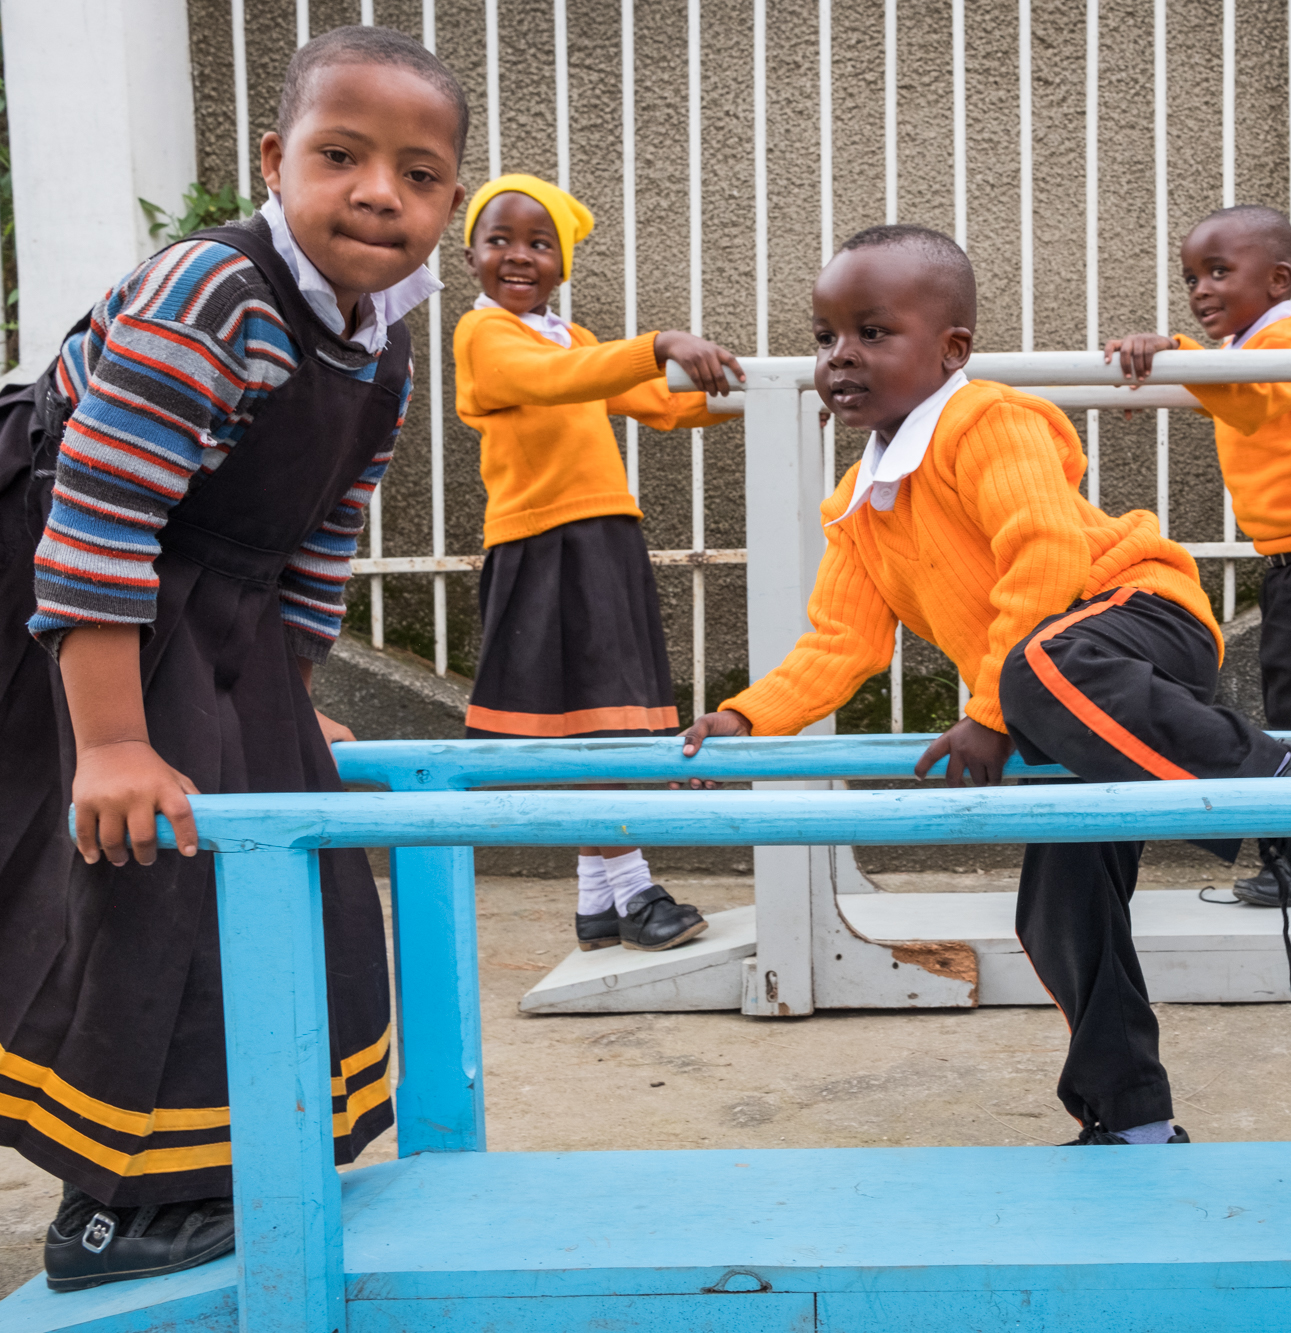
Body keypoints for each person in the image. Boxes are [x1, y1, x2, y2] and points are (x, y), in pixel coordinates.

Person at [678, 223, 1291, 1147]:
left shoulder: (990, 423)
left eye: (873, 333)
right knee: (1057, 911)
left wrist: (987, 712)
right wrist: (747, 716)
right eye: (826, 338)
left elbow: (1047, 555)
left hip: (1135, 620)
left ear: (952, 351)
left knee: (1040, 670)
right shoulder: (862, 503)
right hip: (1054, 692)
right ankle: (1133, 1119)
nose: (840, 359)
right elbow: (840, 643)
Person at [0, 26, 468, 1291]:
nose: (382, 192)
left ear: (450, 200)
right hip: (71, 594)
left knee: (290, 844)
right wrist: (108, 739)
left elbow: (315, 539)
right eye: (342, 155)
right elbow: (95, 515)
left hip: (214, 607)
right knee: (152, 866)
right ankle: (116, 1208)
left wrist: (289, 708)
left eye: (421, 174)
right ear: (274, 161)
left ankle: (231, 1157)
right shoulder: (213, 291)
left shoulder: (383, 340)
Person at [456, 173, 739, 954]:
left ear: (563, 263)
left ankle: (597, 904)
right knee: (585, 724)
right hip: (542, 542)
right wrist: (656, 344)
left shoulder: (570, 338)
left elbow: (664, 402)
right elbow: (551, 381)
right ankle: (637, 887)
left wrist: (772, 392)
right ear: (471, 253)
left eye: (539, 244)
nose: (519, 256)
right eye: (500, 240)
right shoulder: (486, 336)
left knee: (598, 718)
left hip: (601, 538)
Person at [1104, 205, 1291, 907]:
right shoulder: (1252, 349)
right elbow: (1238, 398)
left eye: (1219, 272)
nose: (1200, 290)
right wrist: (1165, 370)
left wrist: (1172, 353)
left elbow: (1255, 401)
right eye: (1192, 275)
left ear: (1278, 277)